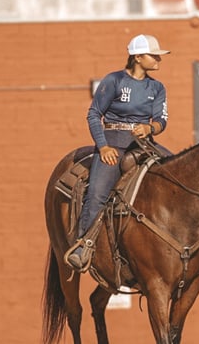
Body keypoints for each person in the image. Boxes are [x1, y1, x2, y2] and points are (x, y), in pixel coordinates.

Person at [66, 33, 170, 271]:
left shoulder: (157, 87)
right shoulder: (113, 80)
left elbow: (162, 119)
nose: (158, 60)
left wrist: (151, 127)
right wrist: (103, 147)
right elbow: (94, 114)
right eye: (154, 56)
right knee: (97, 193)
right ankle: (83, 246)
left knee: (174, 171)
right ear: (138, 57)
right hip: (112, 140)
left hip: (144, 143)